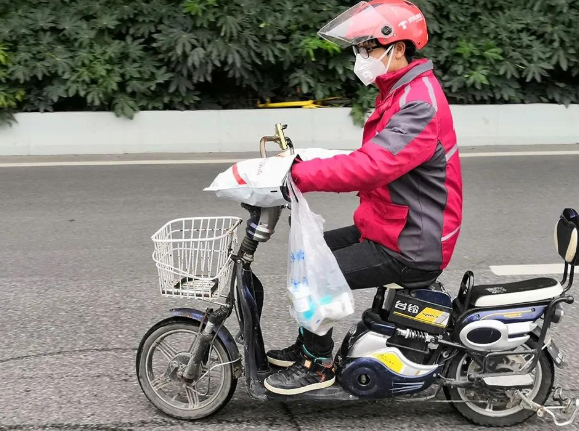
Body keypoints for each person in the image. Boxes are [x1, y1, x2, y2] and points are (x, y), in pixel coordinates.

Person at [264, 0, 463, 395]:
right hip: (390, 225)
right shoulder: (400, 91)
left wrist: (299, 174)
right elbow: (373, 161)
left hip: (411, 243)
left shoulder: (417, 104)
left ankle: (318, 365)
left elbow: (372, 167)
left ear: (399, 48)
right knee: (309, 252)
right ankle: (310, 345)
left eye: (367, 49)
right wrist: (301, 164)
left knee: (316, 275)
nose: (360, 58)